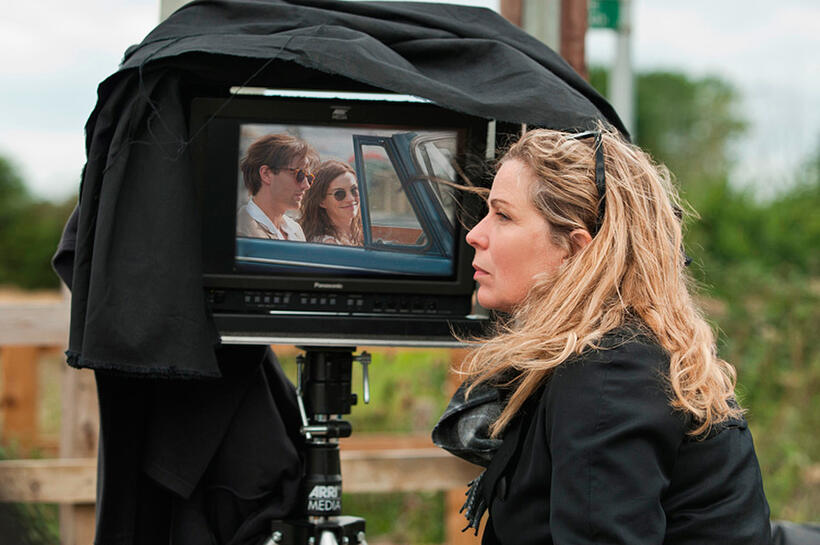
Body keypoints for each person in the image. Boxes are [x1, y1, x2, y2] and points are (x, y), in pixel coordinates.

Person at [440, 126, 771, 544]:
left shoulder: (609, 371)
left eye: (502, 215)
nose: (475, 234)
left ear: (575, 250)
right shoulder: (606, 354)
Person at [237, 133, 319, 240]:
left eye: (309, 178)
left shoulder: (295, 230)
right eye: (299, 174)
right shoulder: (242, 231)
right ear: (266, 174)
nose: (306, 185)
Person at [299, 160, 364, 246]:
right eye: (339, 194)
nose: (350, 198)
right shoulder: (328, 243)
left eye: (354, 190)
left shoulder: (356, 235)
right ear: (321, 202)